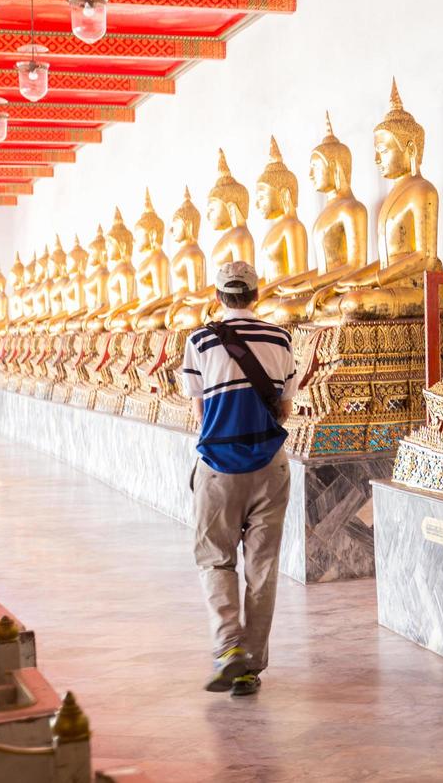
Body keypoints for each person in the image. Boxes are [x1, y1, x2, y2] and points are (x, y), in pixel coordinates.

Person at [178, 260, 298, 698]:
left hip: (219, 466)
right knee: (261, 568)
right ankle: (250, 665)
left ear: (218, 297)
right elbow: (284, 407)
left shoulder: (199, 340)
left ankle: (229, 649)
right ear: (256, 295)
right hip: (270, 464)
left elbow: (199, 412)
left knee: (215, 559)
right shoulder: (280, 336)